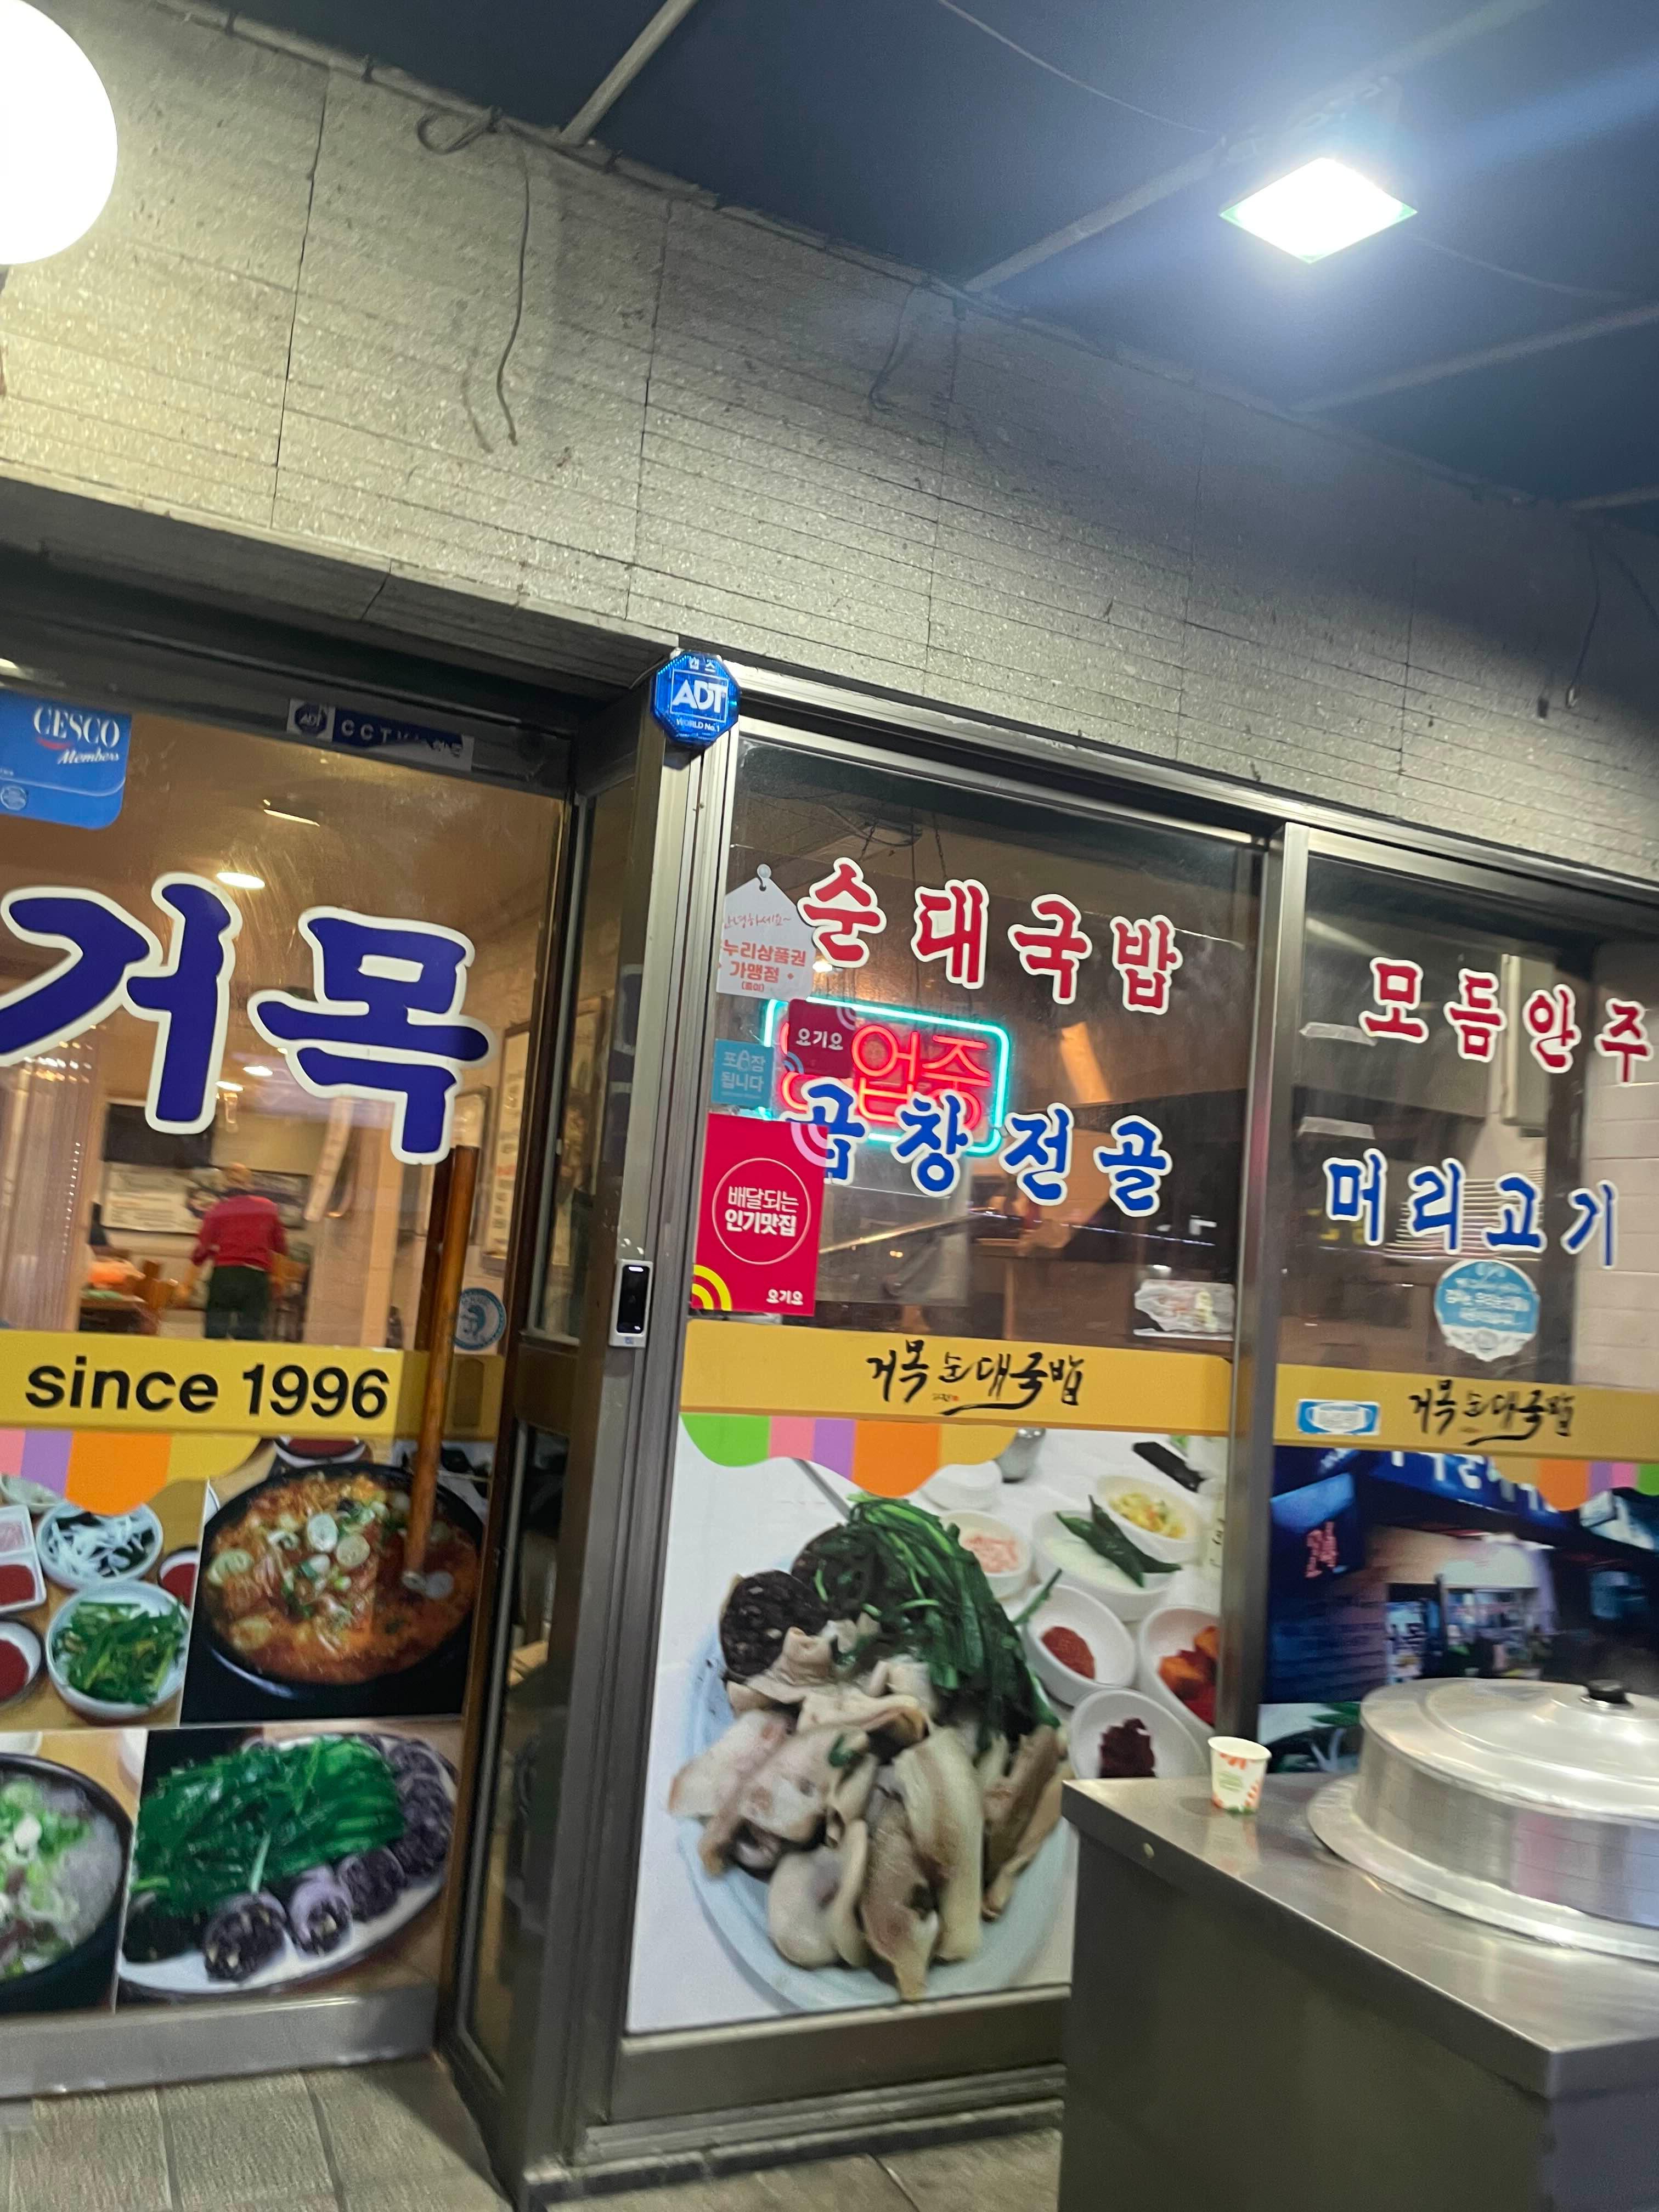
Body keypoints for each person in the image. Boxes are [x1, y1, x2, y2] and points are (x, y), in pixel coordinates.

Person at [188, 1164, 287, 1340]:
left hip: (225, 1275)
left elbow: (202, 1251)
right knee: (251, 1334)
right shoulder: (268, 1209)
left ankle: (214, 1357)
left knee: (216, 1332)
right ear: (250, 1184)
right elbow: (280, 1248)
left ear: (224, 1184)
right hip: (256, 1277)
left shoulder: (217, 1211)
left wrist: (187, 1284)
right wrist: (279, 1279)